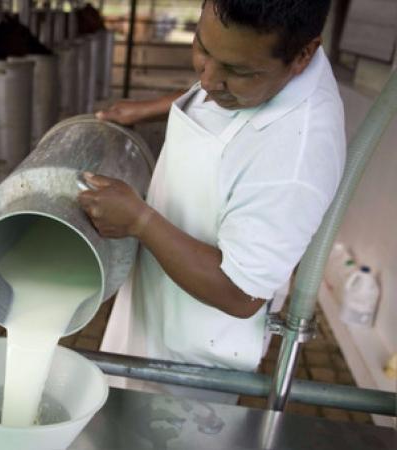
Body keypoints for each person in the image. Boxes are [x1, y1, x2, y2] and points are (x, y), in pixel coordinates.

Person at [78, 0, 345, 403]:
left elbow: (241, 294)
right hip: (152, 310)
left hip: (187, 366)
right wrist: (154, 107)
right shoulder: (253, 68)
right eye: (202, 47)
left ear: (302, 54)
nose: (207, 82)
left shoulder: (296, 155)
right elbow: (222, 76)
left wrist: (139, 221)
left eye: (238, 71)